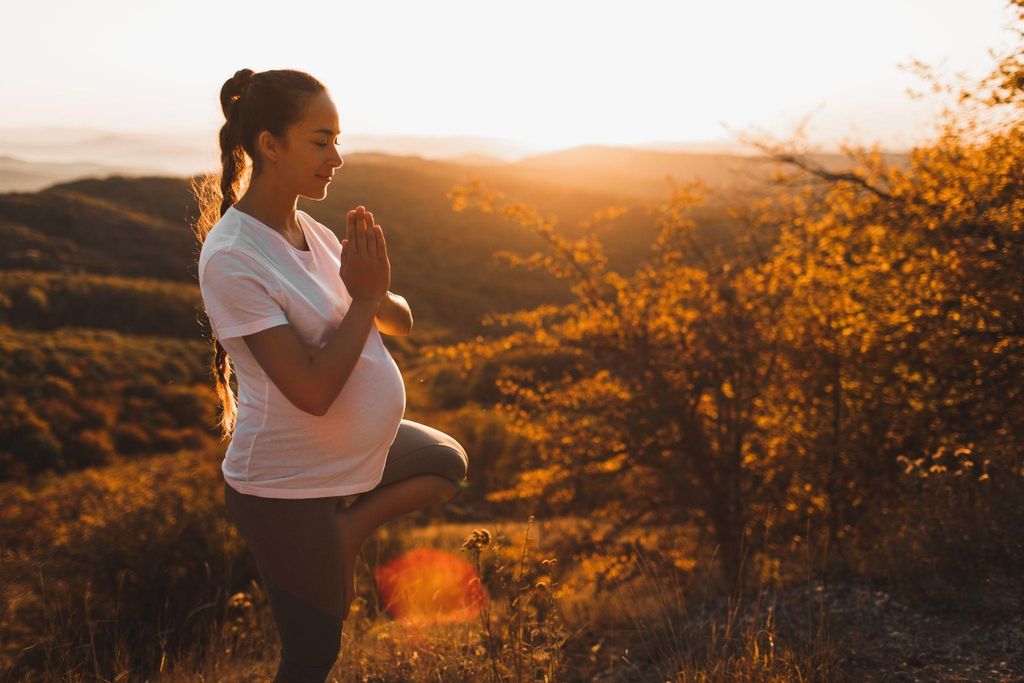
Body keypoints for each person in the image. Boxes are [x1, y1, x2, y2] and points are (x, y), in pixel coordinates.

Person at [191, 68, 469, 683]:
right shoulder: (234, 256)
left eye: (337, 140)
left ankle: (348, 530)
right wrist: (365, 300)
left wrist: (376, 284)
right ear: (270, 144)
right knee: (313, 655)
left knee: (445, 461)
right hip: (286, 483)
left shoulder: (308, 228)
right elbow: (312, 393)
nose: (337, 157)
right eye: (321, 141)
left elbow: (399, 320)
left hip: (347, 454)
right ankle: (330, 532)